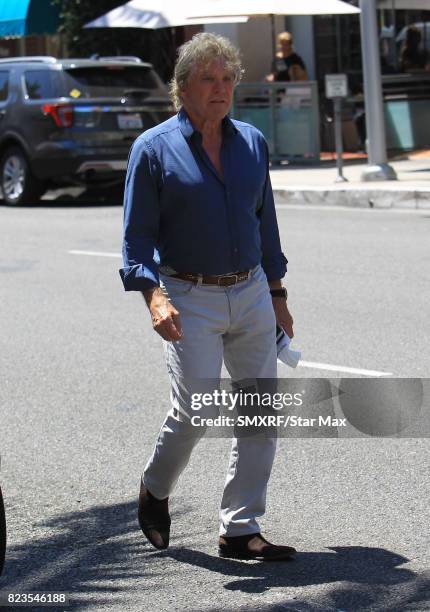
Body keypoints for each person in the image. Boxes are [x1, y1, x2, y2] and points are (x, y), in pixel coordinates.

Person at [120, 32, 296, 561]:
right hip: (187, 293)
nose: (220, 89)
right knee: (195, 411)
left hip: (250, 291)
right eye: (208, 80)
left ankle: (240, 528)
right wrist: (153, 296)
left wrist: (278, 291)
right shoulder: (153, 149)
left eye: (227, 79)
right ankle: (155, 487)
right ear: (183, 87)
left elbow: (264, 224)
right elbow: (135, 239)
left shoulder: (251, 142)